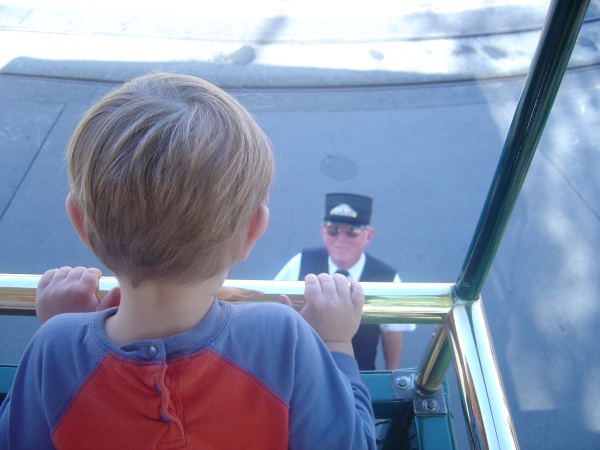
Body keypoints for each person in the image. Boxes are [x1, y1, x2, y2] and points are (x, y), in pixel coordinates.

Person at [0, 73, 376, 449]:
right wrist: (335, 342)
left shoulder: (54, 349)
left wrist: (70, 336)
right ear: (251, 231)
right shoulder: (282, 338)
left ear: (80, 223)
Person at [275, 193, 415, 371]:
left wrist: (391, 375)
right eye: (333, 230)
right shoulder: (301, 262)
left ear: (368, 236)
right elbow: (275, 308)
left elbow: (391, 333)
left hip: (360, 375)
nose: (341, 238)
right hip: (304, 371)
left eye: (352, 231)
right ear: (323, 232)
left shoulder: (387, 277)